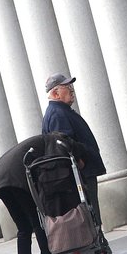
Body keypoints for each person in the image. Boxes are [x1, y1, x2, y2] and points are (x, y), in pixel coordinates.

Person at [0, 132, 83, 254]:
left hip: (0, 180)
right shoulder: (57, 141)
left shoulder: (41, 141)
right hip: (16, 178)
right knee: (39, 223)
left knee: (24, 229)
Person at [41, 74, 107, 226]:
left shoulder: (60, 110)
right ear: (55, 93)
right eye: (67, 87)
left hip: (81, 172)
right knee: (90, 214)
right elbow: (63, 144)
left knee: (90, 212)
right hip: (80, 174)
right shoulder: (58, 113)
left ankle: (97, 244)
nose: (72, 90)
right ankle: (98, 246)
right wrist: (80, 161)